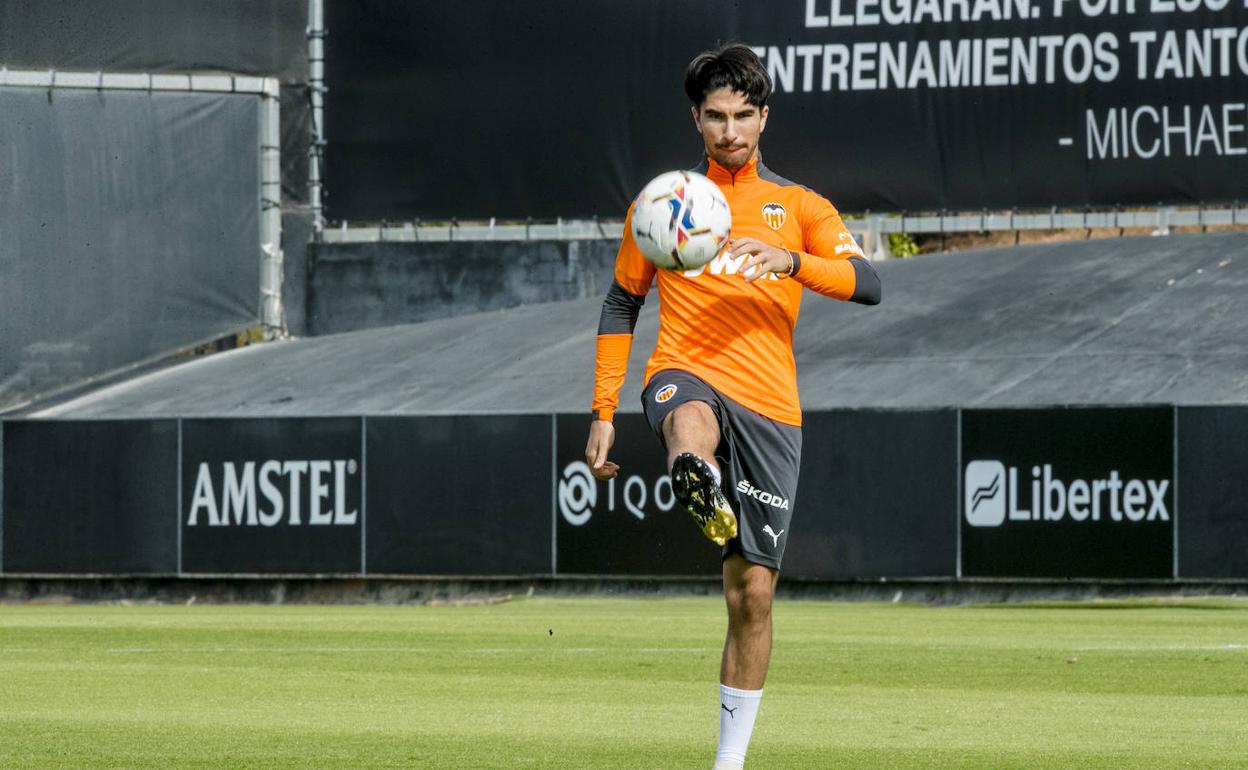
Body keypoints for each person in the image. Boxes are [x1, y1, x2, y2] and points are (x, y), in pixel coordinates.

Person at [584, 43, 881, 769]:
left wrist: (794, 263)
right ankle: (696, 470)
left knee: (751, 595)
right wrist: (602, 409)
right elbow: (623, 301)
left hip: (771, 404)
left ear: (764, 117)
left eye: (743, 116)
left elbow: (868, 282)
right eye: (715, 116)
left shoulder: (800, 206)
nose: (729, 131)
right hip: (684, 371)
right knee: (688, 418)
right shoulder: (661, 204)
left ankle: (728, 764)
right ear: (696, 118)